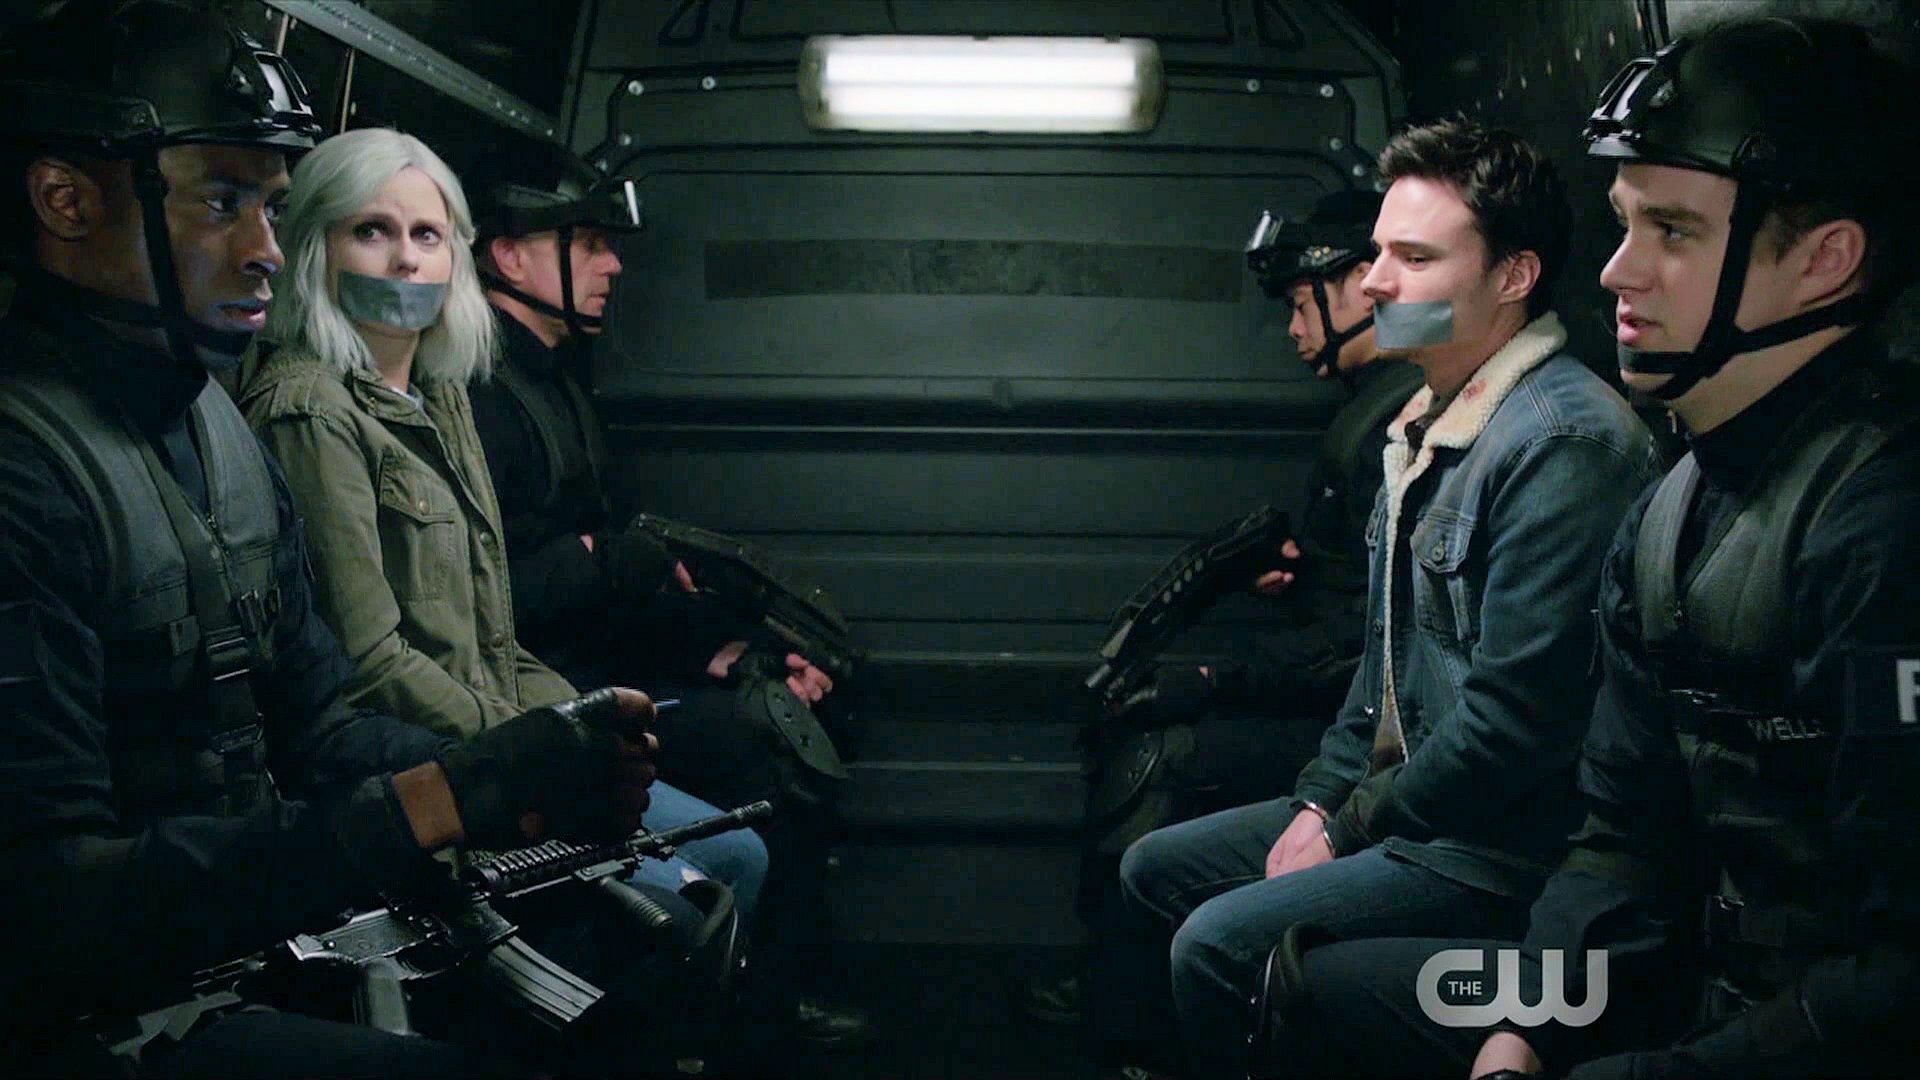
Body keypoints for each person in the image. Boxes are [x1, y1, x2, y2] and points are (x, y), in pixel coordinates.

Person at [0, 4, 687, 1075]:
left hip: (231, 945)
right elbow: (49, 901)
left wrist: (516, 768)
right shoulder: (27, 467)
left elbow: (318, 720)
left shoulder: (215, 428)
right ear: (66, 200)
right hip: (93, 1016)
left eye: (274, 207)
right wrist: (431, 801)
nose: (265, 251)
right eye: (222, 202)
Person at [1286, 17, 1920, 1079]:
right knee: (1305, 986)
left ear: (1825, 262)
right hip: (1673, 975)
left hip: (1787, 1020)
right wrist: (1524, 1026)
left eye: (1672, 230)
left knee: (1242, 947)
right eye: (1625, 224)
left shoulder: (1871, 523)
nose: (1620, 273)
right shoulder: (1667, 509)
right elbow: (1621, 837)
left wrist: (1348, 819)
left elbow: (1893, 971)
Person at [1102, 119, 1661, 1079]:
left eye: (1415, 258)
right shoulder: (1420, 428)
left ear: (1514, 276)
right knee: (1154, 867)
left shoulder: (1560, 442)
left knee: (1218, 944)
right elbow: (1380, 675)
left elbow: (1510, 729)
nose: (1374, 286)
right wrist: (1321, 799)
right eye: (1377, 256)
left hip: (1495, 848)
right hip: (1414, 813)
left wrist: (1347, 825)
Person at [235, 127, 768, 920]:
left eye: (427, 235)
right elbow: (368, 663)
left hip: (503, 739)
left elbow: (493, 630)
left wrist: (589, 722)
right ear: (317, 250)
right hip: (427, 772)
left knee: (736, 857)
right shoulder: (311, 412)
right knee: (692, 897)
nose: (406, 260)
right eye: (372, 231)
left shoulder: (445, 398)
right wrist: (538, 743)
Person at [465, 171, 871, 1044]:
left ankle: (771, 990)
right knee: (762, 740)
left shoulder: (556, 382)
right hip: (548, 692)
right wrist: (605, 563)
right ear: (508, 255)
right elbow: (500, 598)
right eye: (587, 245)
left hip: (600, 668)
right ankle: (755, 1017)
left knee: (790, 698)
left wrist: (725, 649)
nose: (612, 266)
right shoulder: (482, 394)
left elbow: (609, 571)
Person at [1032, 188, 1425, 1027]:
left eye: (1301, 305)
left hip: (1361, 728)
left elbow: (1367, 645)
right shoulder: (1372, 411)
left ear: (1362, 286)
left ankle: (1130, 1017)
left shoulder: (1398, 421)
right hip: (1343, 709)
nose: (1293, 329)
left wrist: (1210, 680)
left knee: (1162, 754)